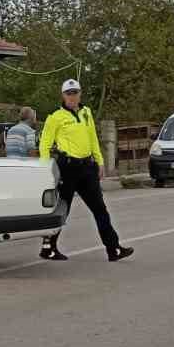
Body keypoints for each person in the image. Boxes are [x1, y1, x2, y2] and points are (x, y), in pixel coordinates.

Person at [38, 79, 134, 262]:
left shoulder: (86, 113)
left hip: (87, 167)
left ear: (80, 94)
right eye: (69, 93)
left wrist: (99, 161)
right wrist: (45, 168)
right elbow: (45, 144)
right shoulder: (55, 117)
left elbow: (93, 139)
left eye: (75, 93)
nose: (72, 97)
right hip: (68, 167)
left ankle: (113, 249)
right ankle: (48, 247)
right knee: (61, 209)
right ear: (63, 96)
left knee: (100, 209)